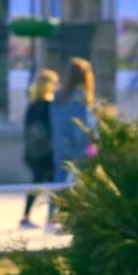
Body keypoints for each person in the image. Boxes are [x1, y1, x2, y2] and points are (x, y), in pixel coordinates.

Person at [49, 58, 96, 230]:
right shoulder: (81, 97)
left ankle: (52, 216)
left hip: (60, 145)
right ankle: (79, 219)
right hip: (79, 147)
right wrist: (89, 147)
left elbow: (54, 122)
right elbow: (82, 126)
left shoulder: (58, 96)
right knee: (81, 183)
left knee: (59, 181)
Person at [20, 69, 59, 229]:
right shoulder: (50, 106)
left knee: (36, 182)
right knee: (52, 184)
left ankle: (26, 216)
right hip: (47, 152)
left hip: (33, 152)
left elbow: (26, 129)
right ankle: (51, 217)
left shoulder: (32, 105)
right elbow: (53, 129)